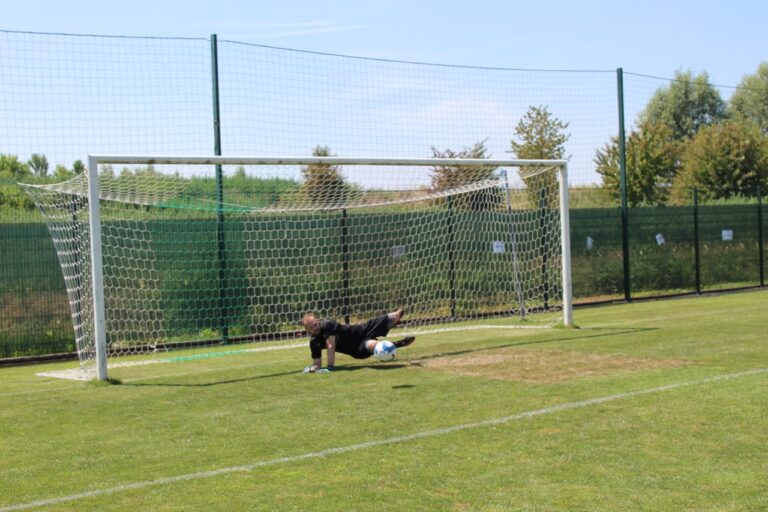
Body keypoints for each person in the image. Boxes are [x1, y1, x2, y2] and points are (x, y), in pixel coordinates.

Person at [301, 309, 415, 373]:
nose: (315, 327)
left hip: (362, 330)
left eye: (315, 323)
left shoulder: (327, 325)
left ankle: (395, 320)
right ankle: (395, 344)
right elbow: (317, 363)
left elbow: (330, 346)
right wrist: (313, 369)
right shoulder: (314, 342)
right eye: (311, 327)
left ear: (318, 320)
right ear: (308, 331)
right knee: (374, 345)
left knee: (395, 315)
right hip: (357, 348)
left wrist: (330, 367)